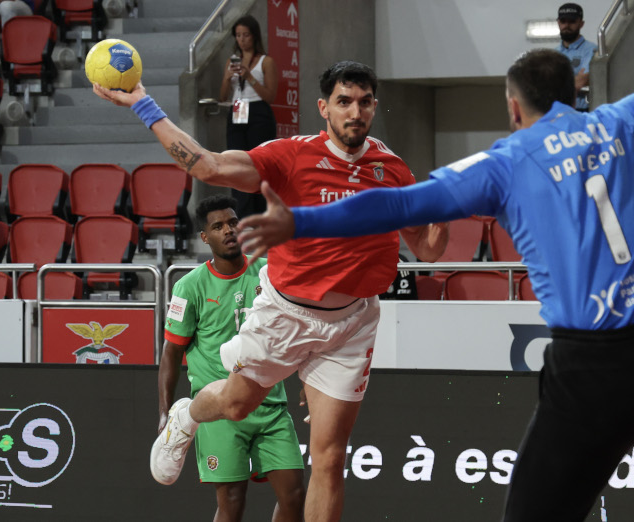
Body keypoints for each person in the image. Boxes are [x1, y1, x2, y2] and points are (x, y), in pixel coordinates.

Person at [236, 1, 634, 520]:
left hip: (594, 383)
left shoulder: (504, 163)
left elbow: (397, 204)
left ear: (512, 107)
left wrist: (301, 221)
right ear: (577, 89)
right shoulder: (631, 118)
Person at [93, 61, 448, 522]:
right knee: (235, 404)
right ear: (324, 108)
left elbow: (427, 248)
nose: (354, 112)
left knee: (330, 458)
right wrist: (143, 103)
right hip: (286, 314)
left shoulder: (393, 170)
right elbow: (209, 165)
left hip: (352, 323)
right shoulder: (290, 157)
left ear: (374, 107)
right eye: (344, 102)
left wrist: (447, 210)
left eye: (364, 102)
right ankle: (187, 416)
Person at [159, 194, 305, 522]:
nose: (228, 230)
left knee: (295, 495)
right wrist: (165, 412)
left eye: (233, 222)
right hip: (221, 409)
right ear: (204, 237)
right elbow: (171, 353)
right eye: (218, 226)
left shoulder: (268, 272)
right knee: (233, 502)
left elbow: (298, 328)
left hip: (270, 405)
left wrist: (307, 379)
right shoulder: (189, 287)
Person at [218, 15, 277, 219]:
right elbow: (223, 96)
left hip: (258, 110)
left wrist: (249, 76)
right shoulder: (232, 61)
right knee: (235, 163)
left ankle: (261, 212)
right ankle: (240, 213)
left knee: (258, 163)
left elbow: (270, 96)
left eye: (245, 35)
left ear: (254, 36)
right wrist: (227, 78)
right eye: (238, 35)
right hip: (237, 109)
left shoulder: (265, 61)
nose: (241, 40)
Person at [556, 2, 596, 111]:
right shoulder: (554, 53)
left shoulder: (591, 50)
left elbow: (581, 81)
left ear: (581, 24)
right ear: (558, 23)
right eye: (563, 21)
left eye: (572, 21)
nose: (567, 26)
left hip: (582, 110)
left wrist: (555, 85)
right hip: (559, 110)